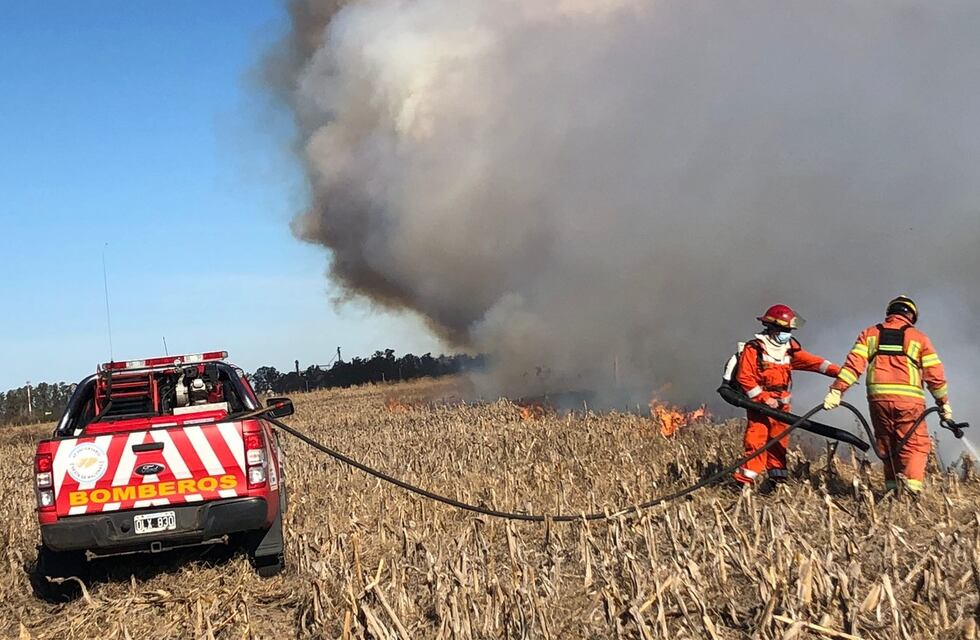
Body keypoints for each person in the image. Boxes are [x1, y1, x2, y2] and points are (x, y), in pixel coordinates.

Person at [823, 296, 951, 494]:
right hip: (910, 402)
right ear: (912, 316)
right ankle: (910, 495)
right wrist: (943, 403)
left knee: (887, 445)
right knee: (915, 445)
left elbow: (853, 366)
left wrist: (837, 390)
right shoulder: (918, 338)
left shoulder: (870, 334)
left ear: (890, 313)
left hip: (878, 401)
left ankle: (893, 492)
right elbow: (934, 375)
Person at [734, 305, 841, 485]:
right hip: (759, 407)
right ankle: (743, 483)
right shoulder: (755, 349)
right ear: (772, 328)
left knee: (779, 443)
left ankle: (777, 481)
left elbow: (815, 363)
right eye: (785, 330)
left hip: (781, 406)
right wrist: (764, 399)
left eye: (789, 330)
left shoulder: (789, 349)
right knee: (756, 442)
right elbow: (745, 378)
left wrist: (842, 373)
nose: (788, 334)